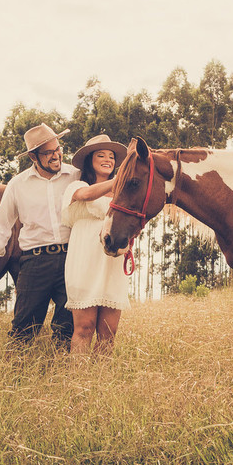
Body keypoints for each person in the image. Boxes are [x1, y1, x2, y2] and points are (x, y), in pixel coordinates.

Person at [0, 123, 79, 349]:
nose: (56, 155)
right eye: (48, 152)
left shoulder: (76, 175)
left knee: (68, 325)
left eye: (58, 149)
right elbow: (1, 223)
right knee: (23, 328)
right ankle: (17, 366)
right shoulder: (18, 185)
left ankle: (62, 365)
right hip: (35, 262)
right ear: (33, 157)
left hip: (72, 259)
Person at [63, 134, 132, 356]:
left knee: (109, 331)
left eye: (111, 156)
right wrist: (121, 179)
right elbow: (86, 195)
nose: (107, 160)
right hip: (84, 260)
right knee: (84, 327)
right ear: (89, 160)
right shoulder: (77, 186)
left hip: (112, 262)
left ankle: (101, 375)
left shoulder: (123, 194)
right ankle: (78, 374)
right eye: (101, 155)